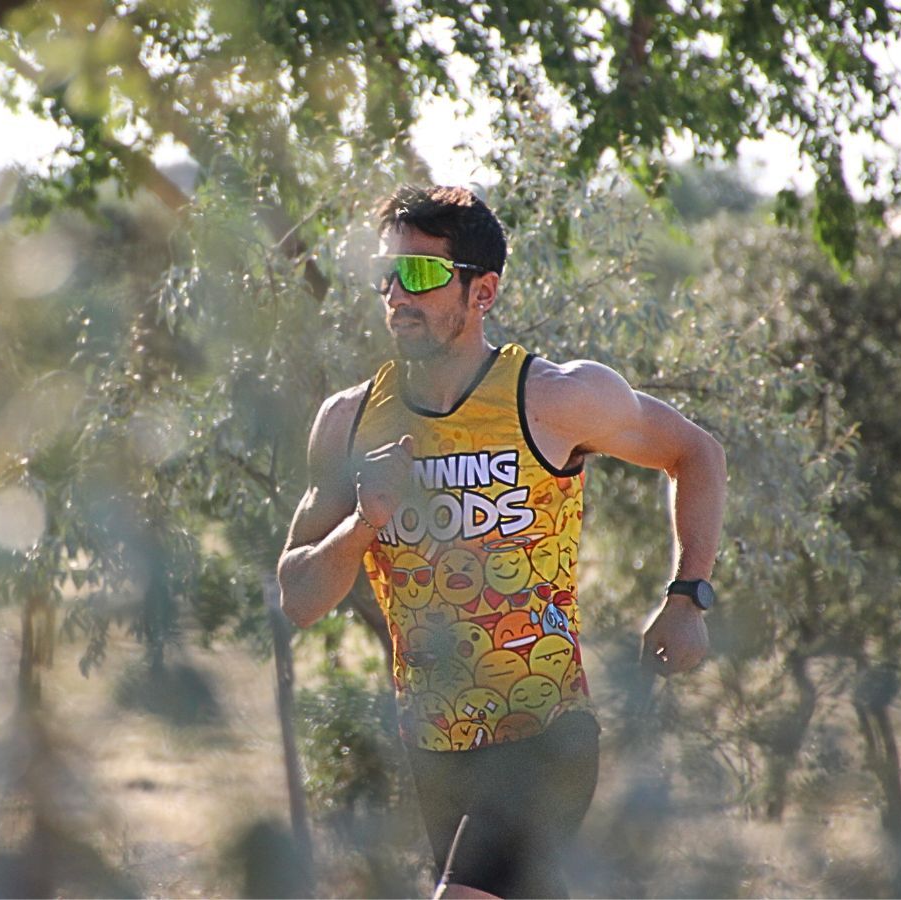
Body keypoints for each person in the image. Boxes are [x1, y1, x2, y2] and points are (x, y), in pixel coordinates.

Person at [276, 185, 727, 898]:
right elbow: (297, 598)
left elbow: (696, 453)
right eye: (386, 273)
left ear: (483, 292)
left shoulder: (554, 397)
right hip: (432, 743)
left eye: (421, 275)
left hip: (544, 735)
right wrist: (366, 520)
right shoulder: (349, 421)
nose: (397, 293)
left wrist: (688, 593)